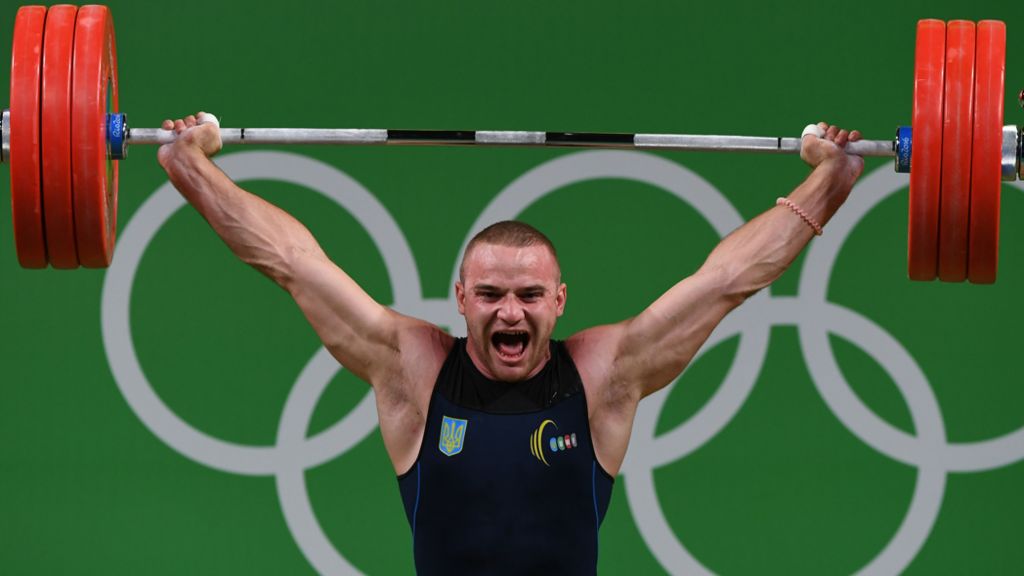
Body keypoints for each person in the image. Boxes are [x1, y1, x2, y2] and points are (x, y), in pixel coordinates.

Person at [158, 113, 864, 575]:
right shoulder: (414, 371)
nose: (510, 313)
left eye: (529, 296)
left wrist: (828, 182)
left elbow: (727, 281)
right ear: (460, 299)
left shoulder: (603, 376)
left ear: (559, 302)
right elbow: (292, 262)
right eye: (491, 295)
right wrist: (190, 166)